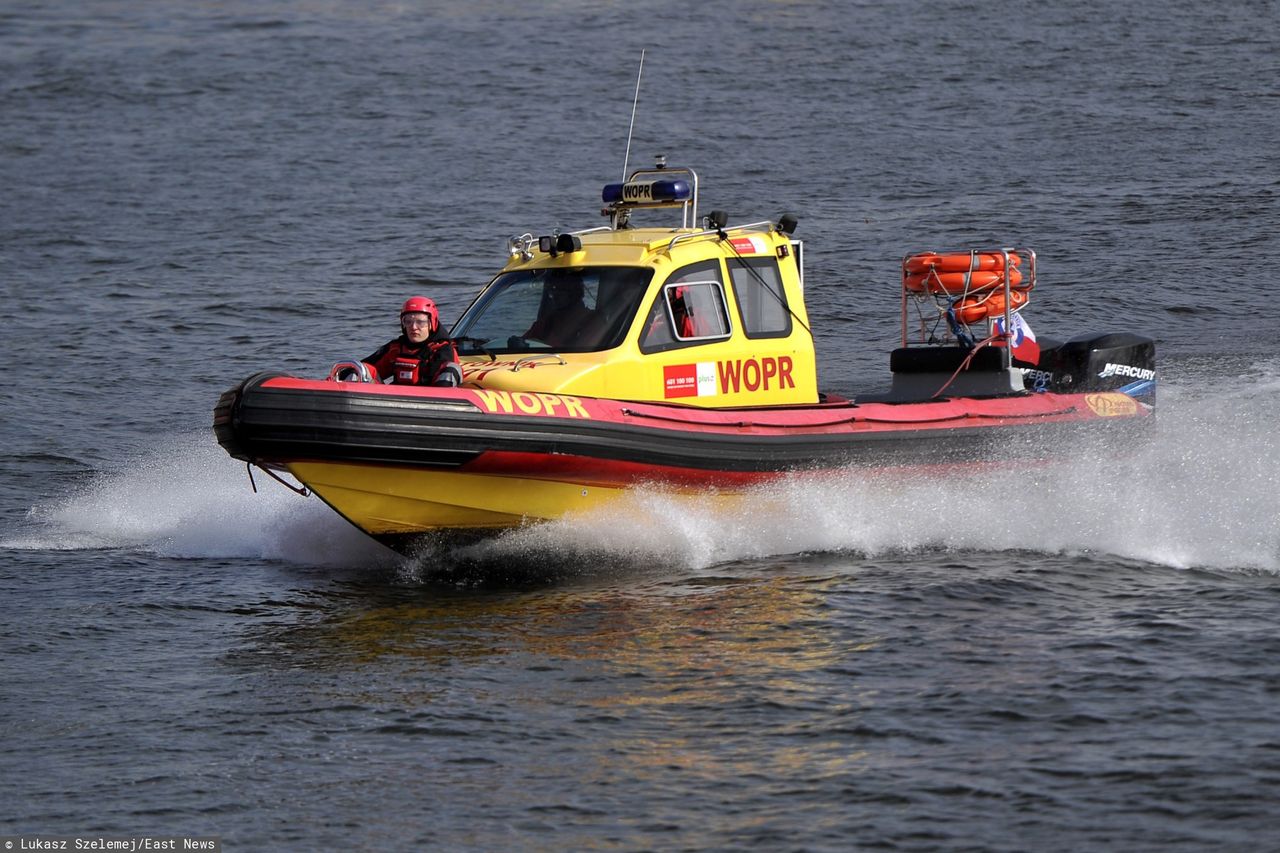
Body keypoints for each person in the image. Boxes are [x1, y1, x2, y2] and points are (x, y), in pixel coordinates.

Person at [359, 296, 462, 386]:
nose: (413, 327)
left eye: (420, 322)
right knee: (359, 369)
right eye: (408, 321)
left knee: (451, 369)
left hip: (431, 400)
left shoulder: (443, 350)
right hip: (393, 399)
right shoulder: (396, 348)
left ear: (431, 323)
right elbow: (368, 366)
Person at [522, 270, 604, 348]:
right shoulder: (548, 322)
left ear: (575, 292)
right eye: (552, 290)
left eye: (560, 290)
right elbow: (523, 341)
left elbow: (587, 355)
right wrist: (517, 343)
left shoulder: (593, 322)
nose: (554, 295)